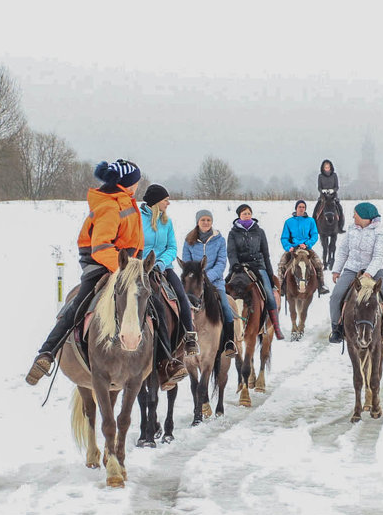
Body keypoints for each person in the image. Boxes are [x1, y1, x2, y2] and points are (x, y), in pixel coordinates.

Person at [25, 160, 187, 389]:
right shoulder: (109, 207)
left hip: (129, 264)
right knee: (80, 304)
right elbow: (101, 246)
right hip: (100, 262)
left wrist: (136, 267)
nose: (138, 185)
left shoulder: (126, 202)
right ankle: (47, 353)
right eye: (137, 181)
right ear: (127, 183)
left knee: (156, 304)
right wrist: (124, 270)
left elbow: (133, 243)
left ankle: (165, 362)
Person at [139, 184, 200, 356]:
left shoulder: (167, 221)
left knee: (181, 296)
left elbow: (172, 247)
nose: (168, 203)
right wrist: (144, 264)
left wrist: (161, 262)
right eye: (166, 200)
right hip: (141, 268)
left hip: (163, 267)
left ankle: (189, 336)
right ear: (156, 201)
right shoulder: (136, 219)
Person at [328, 202, 383, 345]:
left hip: (374, 270)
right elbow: (343, 251)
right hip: (352, 269)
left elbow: (379, 256)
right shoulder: (351, 229)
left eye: (356, 214)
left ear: (364, 216)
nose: (353, 216)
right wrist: (337, 270)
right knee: (336, 296)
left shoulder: (379, 232)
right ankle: (336, 328)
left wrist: (368, 273)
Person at [182, 209, 237, 358]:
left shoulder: (219, 240)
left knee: (226, 306)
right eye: (203, 220)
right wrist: (196, 279)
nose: (206, 223)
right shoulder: (189, 240)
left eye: (208, 220)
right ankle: (183, 341)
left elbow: (221, 262)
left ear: (212, 222)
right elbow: (186, 263)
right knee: (183, 306)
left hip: (215, 281)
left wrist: (207, 278)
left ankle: (229, 341)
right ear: (197, 222)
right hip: (193, 283)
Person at [226, 204, 285, 340]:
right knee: (225, 293)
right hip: (239, 268)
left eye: (248, 213)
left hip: (258, 266)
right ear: (239, 216)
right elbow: (231, 252)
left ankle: (275, 326)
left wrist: (269, 274)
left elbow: (265, 253)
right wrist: (235, 265)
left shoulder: (259, 231)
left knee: (269, 296)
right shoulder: (233, 233)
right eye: (244, 214)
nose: (246, 216)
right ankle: (227, 329)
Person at [278, 199, 329, 296]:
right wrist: (289, 247)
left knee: (318, 263)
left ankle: (321, 285)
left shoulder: (311, 221)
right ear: (296, 208)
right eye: (299, 207)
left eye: (303, 207)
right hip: (293, 248)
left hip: (306, 248)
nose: (301, 209)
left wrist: (307, 244)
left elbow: (314, 235)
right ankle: (281, 287)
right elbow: (284, 237)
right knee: (282, 263)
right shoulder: (289, 222)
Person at [312, 159, 344, 233]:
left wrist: (333, 190)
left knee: (340, 210)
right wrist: (322, 191)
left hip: (333, 197)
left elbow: (337, 187)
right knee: (315, 211)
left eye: (328, 167)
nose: (327, 169)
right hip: (323, 198)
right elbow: (319, 187)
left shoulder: (334, 175)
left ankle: (340, 227)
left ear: (330, 167)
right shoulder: (320, 176)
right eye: (325, 167)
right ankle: (314, 228)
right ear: (323, 168)